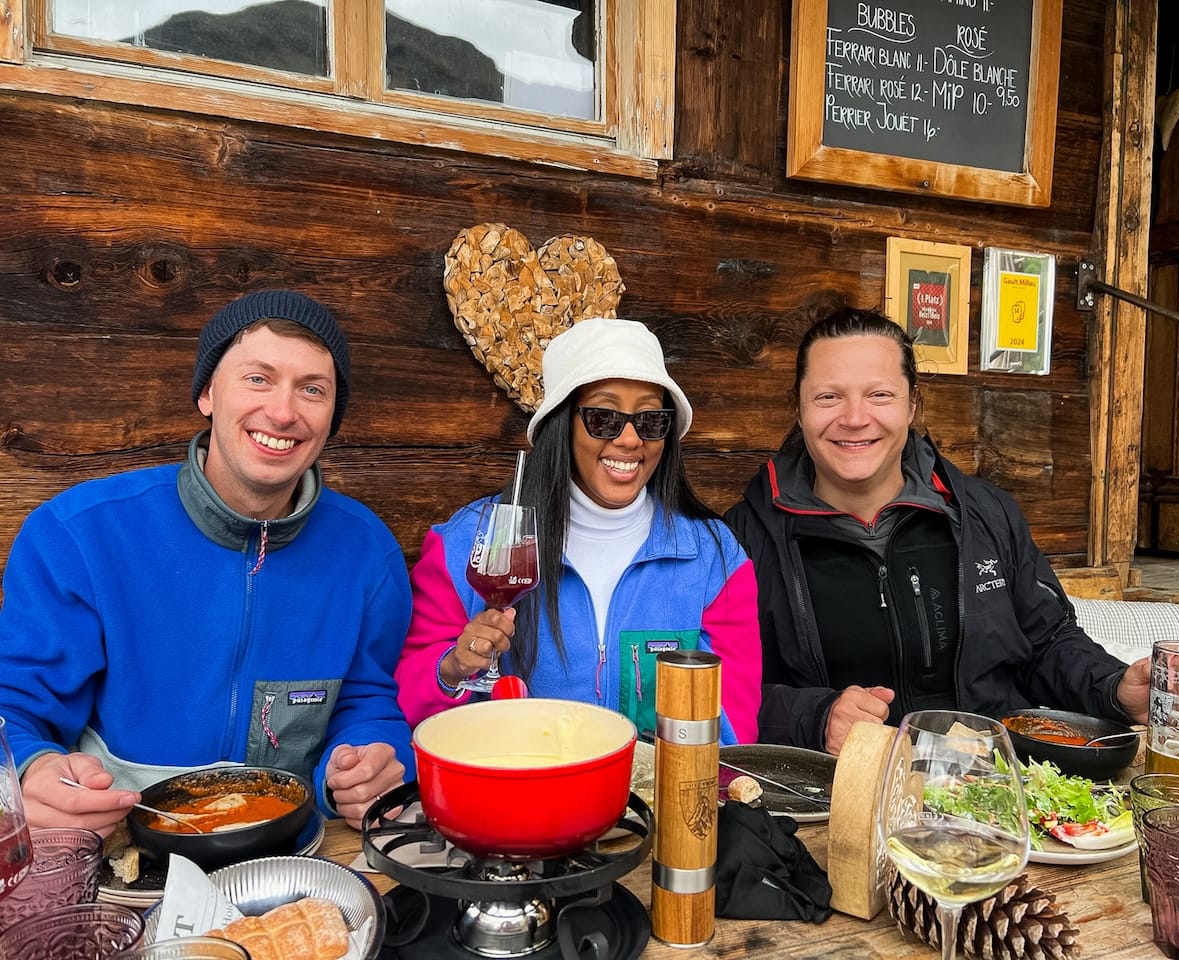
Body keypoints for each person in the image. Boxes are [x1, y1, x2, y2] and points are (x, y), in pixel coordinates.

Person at [0, 289, 415, 835]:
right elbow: (14, 708)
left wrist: (367, 768)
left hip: (297, 854)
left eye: (312, 389)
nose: (283, 412)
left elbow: (365, 700)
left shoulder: (367, 552)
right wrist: (29, 768)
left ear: (331, 416)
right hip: (116, 848)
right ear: (207, 393)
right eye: (258, 378)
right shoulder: (78, 534)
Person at [724, 305, 1151, 754]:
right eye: (828, 397)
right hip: (838, 795)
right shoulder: (745, 538)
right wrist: (815, 717)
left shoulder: (986, 514)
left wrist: (1114, 687)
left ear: (913, 403)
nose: (853, 417)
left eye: (879, 395)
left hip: (993, 787)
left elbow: (1046, 642)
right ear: (798, 408)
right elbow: (720, 688)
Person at [396, 317, 761, 742]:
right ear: (562, 425)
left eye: (649, 420)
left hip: (656, 801)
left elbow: (733, 726)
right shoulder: (464, 545)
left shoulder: (714, 559)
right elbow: (407, 699)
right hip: (515, 797)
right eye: (603, 418)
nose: (629, 440)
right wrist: (453, 668)